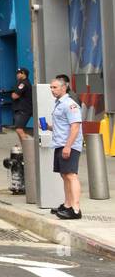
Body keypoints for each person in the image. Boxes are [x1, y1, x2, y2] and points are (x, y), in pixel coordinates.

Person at [45, 74, 84, 220]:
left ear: (64, 87)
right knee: (64, 175)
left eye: (55, 87)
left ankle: (75, 208)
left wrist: (68, 146)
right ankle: (67, 205)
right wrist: (49, 127)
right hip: (60, 144)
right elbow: (63, 125)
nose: (52, 90)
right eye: (51, 87)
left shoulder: (70, 104)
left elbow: (75, 127)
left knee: (71, 175)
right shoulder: (59, 103)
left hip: (69, 145)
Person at [7, 67, 33, 147]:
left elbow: (15, 96)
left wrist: (13, 94)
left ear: (24, 74)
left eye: (19, 73)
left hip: (23, 110)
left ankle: (28, 149)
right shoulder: (20, 83)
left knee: (19, 129)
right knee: (18, 129)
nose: (17, 75)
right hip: (20, 109)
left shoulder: (23, 83)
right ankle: (24, 149)